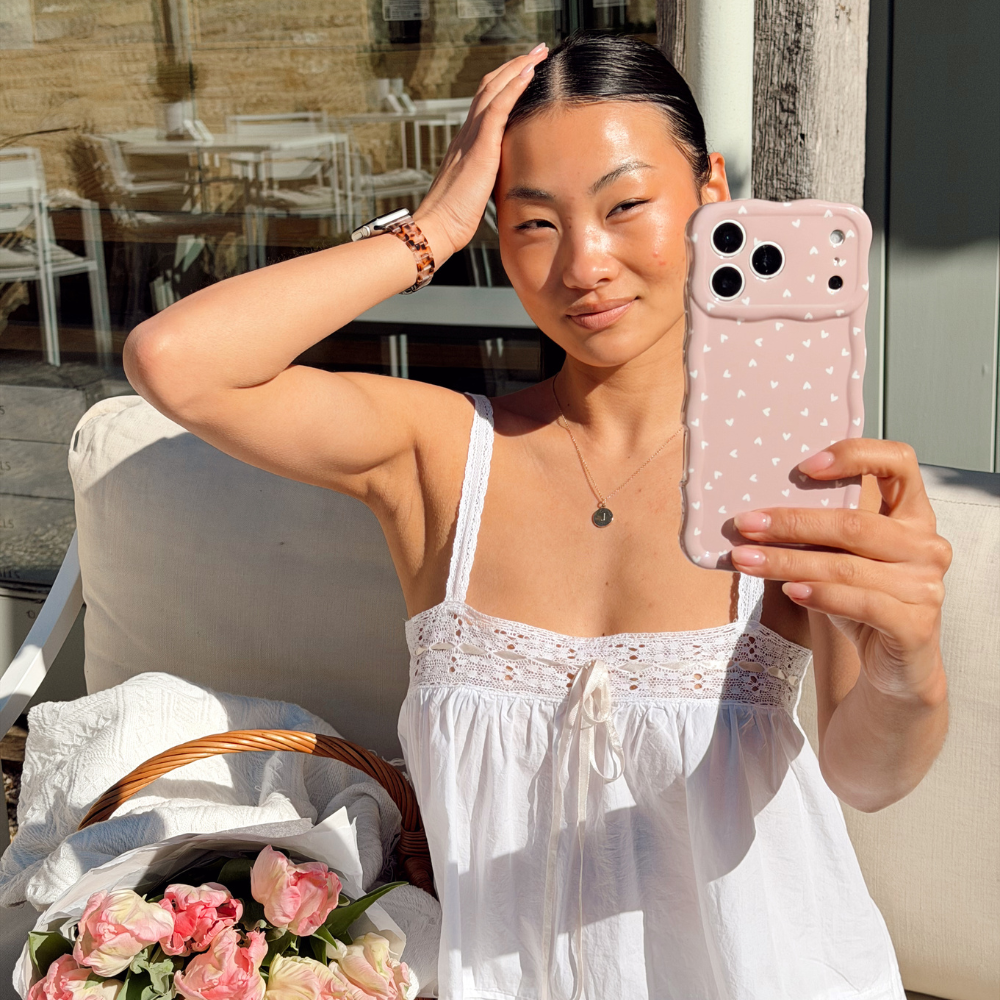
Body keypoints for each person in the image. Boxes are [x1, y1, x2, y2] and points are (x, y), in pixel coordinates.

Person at [125, 31, 950, 1000]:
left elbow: (867, 777)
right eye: (532, 223)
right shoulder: (441, 454)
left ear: (710, 191)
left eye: (625, 204)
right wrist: (429, 224)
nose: (584, 263)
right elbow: (173, 359)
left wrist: (908, 662)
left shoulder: (790, 464)